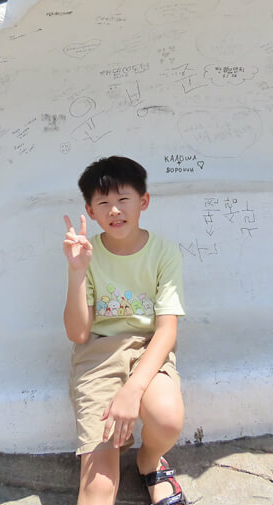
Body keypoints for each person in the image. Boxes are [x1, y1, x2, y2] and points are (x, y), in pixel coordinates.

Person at [63, 156, 187, 505]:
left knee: (166, 419)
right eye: (103, 203)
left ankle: (148, 461)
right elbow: (78, 334)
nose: (114, 210)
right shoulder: (87, 255)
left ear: (143, 201)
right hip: (98, 356)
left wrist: (133, 390)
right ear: (90, 209)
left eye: (123, 200)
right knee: (98, 488)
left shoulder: (164, 252)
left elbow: (166, 331)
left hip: (147, 348)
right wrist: (76, 272)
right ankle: (114, 456)